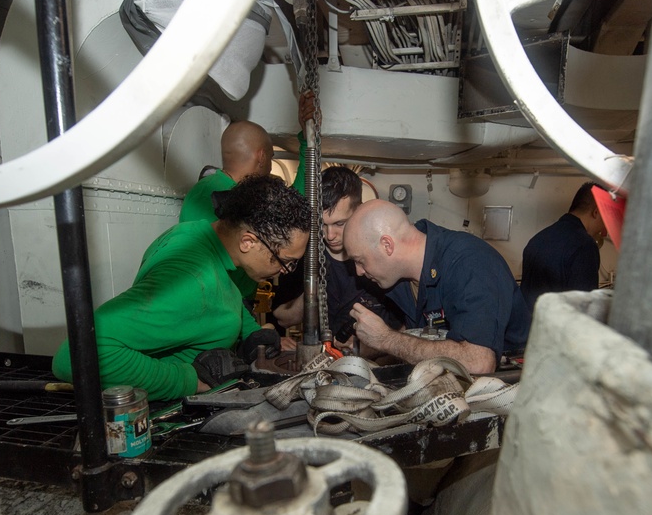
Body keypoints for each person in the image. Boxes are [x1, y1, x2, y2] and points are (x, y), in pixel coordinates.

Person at [52, 175, 310, 401]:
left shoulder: (196, 236)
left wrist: (252, 333)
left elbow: (223, 292)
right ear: (248, 242)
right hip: (163, 414)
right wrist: (188, 380)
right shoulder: (190, 282)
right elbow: (76, 354)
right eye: (284, 262)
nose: (283, 272)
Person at [342, 200, 531, 375]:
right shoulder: (401, 280)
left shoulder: (471, 262)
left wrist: (385, 339)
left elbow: (478, 362)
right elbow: (421, 336)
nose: (358, 272)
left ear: (387, 245)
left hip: (506, 390)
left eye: (360, 261)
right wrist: (372, 345)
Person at [272, 166, 402, 349]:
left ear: (359, 210)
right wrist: (312, 291)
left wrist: (364, 349)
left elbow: (404, 327)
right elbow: (283, 318)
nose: (329, 235)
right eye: (322, 225)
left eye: (340, 223)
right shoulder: (305, 255)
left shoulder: (381, 254)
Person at [178, 91, 314, 223]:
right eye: (270, 158)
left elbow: (294, 207)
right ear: (262, 157)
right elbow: (293, 215)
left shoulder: (207, 191)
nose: (270, 169)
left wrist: (307, 139)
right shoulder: (225, 199)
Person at [520, 181, 608, 313]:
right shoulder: (584, 245)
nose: (604, 227)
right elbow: (585, 307)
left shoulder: (538, 239)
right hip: (557, 329)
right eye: (605, 218)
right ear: (596, 213)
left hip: (529, 329)